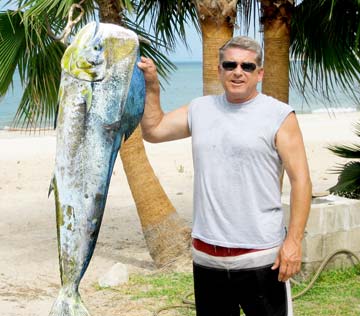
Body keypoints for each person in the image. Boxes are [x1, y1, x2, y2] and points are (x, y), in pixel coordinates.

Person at [137, 36, 312, 316]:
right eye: (229, 64)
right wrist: (152, 85)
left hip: (261, 257)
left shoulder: (279, 115)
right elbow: (154, 130)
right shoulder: (200, 109)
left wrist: (293, 242)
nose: (238, 71)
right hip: (208, 258)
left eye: (247, 66)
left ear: (260, 73)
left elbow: (301, 181)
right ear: (219, 70)